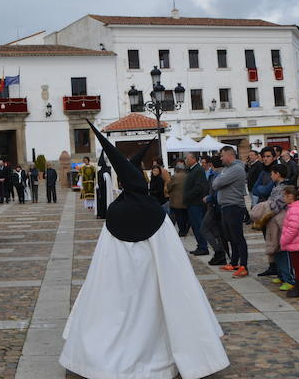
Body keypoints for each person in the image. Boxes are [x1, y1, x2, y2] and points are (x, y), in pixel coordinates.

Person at [59, 122, 229, 379]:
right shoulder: (154, 211)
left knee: (117, 314)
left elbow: (104, 260)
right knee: (152, 317)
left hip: (119, 282)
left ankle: (100, 359)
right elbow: (173, 262)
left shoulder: (115, 212)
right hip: (152, 278)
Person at [213, 146, 249, 277]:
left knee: (238, 237)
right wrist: (218, 180)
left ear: (229, 155)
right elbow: (217, 182)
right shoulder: (227, 169)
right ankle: (234, 262)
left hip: (234, 207)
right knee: (231, 237)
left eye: (222, 156)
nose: (221, 158)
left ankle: (244, 265)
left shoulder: (236, 169)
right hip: (226, 206)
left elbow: (216, 184)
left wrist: (218, 180)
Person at [280, 185, 299, 298]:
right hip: (296, 242)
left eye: (284, 195)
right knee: (296, 265)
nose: (283, 197)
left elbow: (292, 229)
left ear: (290, 196)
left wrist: (284, 240)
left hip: (295, 243)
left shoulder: (295, 210)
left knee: (297, 266)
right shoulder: (294, 208)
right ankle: (298, 287)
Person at [183, 153, 210, 256]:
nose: (186, 160)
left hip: (196, 203)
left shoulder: (198, 170)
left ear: (193, 159)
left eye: (187, 158)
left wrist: (187, 196)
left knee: (198, 225)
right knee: (195, 226)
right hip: (192, 203)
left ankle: (203, 247)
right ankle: (200, 245)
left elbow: (199, 188)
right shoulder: (192, 170)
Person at [165, 163, 188, 236]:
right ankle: (185, 229)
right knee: (185, 216)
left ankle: (182, 231)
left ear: (177, 169)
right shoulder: (188, 176)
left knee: (179, 217)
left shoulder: (174, 177)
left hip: (176, 201)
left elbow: (169, 187)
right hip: (186, 200)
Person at [95, 152, 109, 219]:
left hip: (105, 190)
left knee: (104, 201)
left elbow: (107, 181)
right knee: (100, 202)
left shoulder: (106, 171)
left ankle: (104, 214)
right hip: (100, 190)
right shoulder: (99, 171)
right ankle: (100, 213)